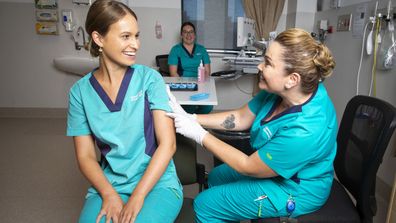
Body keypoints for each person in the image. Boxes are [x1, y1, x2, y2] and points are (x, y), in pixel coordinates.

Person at [167, 28, 337, 222]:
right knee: (215, 177)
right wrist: (193, 118)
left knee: (204, 205)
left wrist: (199, 134)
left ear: (292, 79)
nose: (260, 66)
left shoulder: (306, 129)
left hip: (294, 188)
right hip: (273, 166)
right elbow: (241, 117)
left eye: (268, 63)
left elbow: (248, 166)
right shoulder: (282, 91)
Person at [66, 1, 182, 222]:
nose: (135, 44)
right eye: (126, 36)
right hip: (111, 183)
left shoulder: (150, 79)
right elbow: (86, 156)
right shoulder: (79, 93)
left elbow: (168, 144)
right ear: (99, 38)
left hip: (156, 183)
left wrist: (137, 197)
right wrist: (109, 194)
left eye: (137, 36)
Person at [168, 22, 213, 114]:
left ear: (195, 34)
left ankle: (195, 121)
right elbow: (173, 73)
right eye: (185, 32)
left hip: (201, 83)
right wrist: (186, 86)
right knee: (189, 106)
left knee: (208, 106)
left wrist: (201, 85)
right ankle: (189, 122)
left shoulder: (202, 49)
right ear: (181, 35)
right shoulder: (175, 50)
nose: (188, 35)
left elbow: (207, 72)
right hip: (184, 84)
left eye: (191, 32)